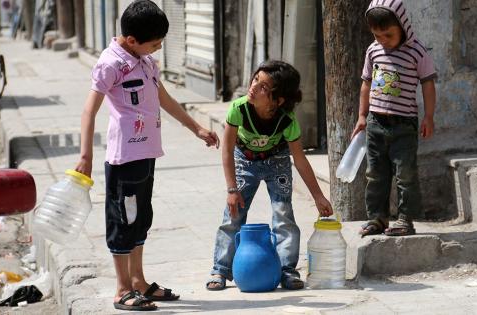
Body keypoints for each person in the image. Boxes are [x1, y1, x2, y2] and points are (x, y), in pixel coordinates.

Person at [74, 1, 219, 311]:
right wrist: (85, 155)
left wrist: (196, 128)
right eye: (155, 43)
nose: (158, 48)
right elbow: (89, 110)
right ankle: (122, 288)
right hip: (125, 157)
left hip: (147, 153)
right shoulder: (111, 64)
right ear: (131, 40)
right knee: (122, 220)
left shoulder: (146, 61)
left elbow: (163, 97)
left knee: (141, 219)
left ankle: (139, 282)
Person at [206, 60, 334, 291]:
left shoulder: (287, 120)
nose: (254, 87)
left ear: (279, 100)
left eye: (263, 87)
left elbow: (300, 159)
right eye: (256, 79)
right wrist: (232, 189)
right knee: (233, 215)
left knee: (283, 214)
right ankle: (220, 269)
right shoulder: (239, 108)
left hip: (277, 162)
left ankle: (287, 269)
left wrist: (318, 195)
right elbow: (226, 149)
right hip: (244, 161)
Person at [353, 0, 437, 237]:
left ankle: (404, 220)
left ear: (403, 26)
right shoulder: (373, 50)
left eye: (388, 34)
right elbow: (366, 84)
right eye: (377, 35)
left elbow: (428, 84)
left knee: (405, 174)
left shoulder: (417, 51)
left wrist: (429, 117)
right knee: (375, 174)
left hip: (404, 126)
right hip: (375, 123)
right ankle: (377, 219)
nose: (383, 40)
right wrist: (361, 116)